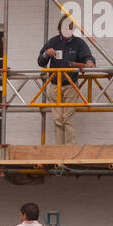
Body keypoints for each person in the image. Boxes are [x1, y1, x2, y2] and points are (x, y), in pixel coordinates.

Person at [38, 16, 95, 145]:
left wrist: (89, 62)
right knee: (58, 119)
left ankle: (69, 150)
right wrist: (46, 53)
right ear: (59, 29)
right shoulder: (52, 42)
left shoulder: (79, 43)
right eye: (65, 28)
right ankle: (60, 151)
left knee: (68, 118)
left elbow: (87, 57)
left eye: (70, 28)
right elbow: (40, 62)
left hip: (71, 85)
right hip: (54, 85)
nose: (68, 31)